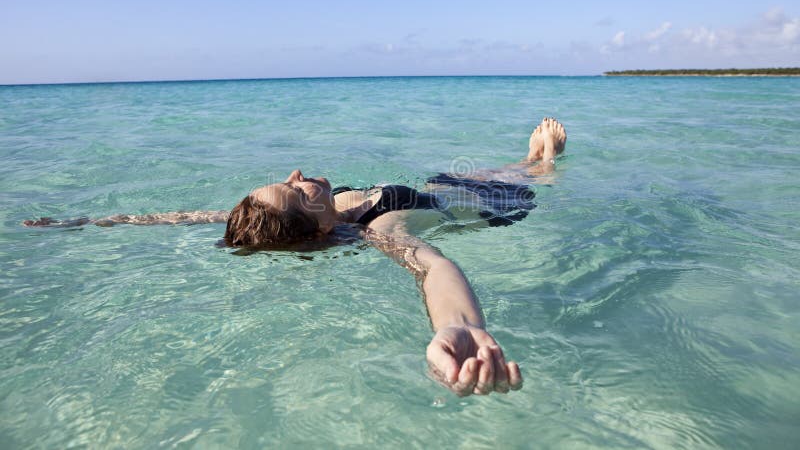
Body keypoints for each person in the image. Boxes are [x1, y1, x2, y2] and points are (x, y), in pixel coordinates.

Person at [25, 117, 567, 396]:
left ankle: (525, 157)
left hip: (438, 187)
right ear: (318, 229)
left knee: (452, 176)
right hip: (490, 206)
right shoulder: (382, 228)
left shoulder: (292, 217)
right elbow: (433, 266)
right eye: (296, 190)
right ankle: (541, 164)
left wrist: (89, 221)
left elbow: (185, 216)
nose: (297, 174)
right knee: (517, 178)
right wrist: (462, 326)